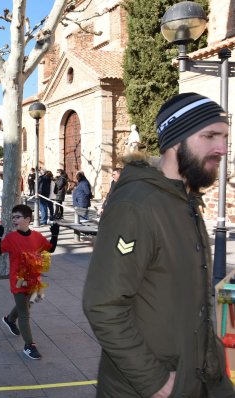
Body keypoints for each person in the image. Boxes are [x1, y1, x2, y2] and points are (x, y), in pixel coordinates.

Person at [83, 92, 234, 397]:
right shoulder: (137, 206)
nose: (222, 148)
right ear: (176, 140)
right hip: (150, 386)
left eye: (225, 137)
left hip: (201, 377)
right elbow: (103, 305)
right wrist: (156, 382)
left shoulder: (185, 200)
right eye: (209, 136)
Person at [0, 204, 59, 360]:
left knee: (28, 304)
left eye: (17, 217)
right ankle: (29, 345)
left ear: (27, 219)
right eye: (13, 217)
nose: (14, 220)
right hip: (18, 282)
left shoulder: (37, 236)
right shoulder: (10, 238)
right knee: (25, 314)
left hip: (35, 281)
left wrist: (55, 235)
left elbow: (51, 249)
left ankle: (9, 319)